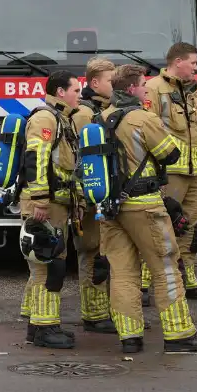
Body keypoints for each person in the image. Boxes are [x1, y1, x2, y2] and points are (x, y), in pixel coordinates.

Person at [101, 64, 197, 353]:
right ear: (132, 89)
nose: (146, 89)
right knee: (165, 268)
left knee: (123, 273)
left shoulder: (101, 119)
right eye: (142, 85)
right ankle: (179, 335)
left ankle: (129, 337)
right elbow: (170, 154)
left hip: (111, 208)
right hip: (145, 205)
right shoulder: (143, 118)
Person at [139, 42, 197, 302]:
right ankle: (147, 281)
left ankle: (187, 277)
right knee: (162, 228)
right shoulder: (153, 89)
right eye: (193, 63)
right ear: (178, 62)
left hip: (195, 173)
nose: (196, 67)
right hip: (169, 173)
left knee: (195, 228)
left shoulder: (193, 91)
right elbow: (147, 133)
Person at [20, 70, 82, 349]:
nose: (79, 95)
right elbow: (36, 159)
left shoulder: (61, 119)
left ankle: (38, 326)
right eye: (76, 90)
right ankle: (46, 328)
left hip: (56, 204)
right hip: (46, 205)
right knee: (49, 266)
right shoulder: (46, 118)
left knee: (46, 264)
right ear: (60, 92)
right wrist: (41, 200)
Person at [66, 58, 117, 334]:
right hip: (89, 197)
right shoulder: (86, 114)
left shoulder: (101, 110)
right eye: (111, 79)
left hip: (99, 194)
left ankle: (101, 311)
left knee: (102, 253)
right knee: (92, 253)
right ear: (95, 83)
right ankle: (94, 315)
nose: (115, 84)